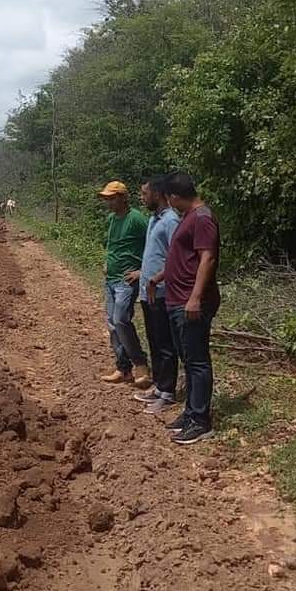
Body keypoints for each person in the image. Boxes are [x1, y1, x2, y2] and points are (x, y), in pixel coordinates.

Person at [154, 171, 220, 446]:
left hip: (190, 302)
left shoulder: (203, 218)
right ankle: (191, 413)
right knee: (188, 359)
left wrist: (195, 297)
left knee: (197, 361)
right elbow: (181, 257)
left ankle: (201, 421)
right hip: (177, 298)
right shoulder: (189, 218)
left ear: (174, 197)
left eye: (170, 200)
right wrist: (160, 277)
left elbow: (208, 258)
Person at [127, 176, 179, 415]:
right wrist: (142, 273)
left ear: (158, 194)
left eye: (145, 193)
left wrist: (157, 278)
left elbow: (174, 258)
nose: (142, 197)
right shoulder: (153, 219)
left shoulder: (170, 221)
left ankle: (168, 392)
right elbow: (154, 253)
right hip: (148, 291)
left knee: (165, 343)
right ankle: (158, 387)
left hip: (162, 292)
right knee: (154, 341)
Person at [99, 180, 151, 389]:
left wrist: (142, 271)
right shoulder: (112, 219)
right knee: (112, 323)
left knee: (121, 320)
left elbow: (155, 245)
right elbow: (112, 244)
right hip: (110, 279)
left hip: (126, 280)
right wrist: (106, 261)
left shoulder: (137, 219)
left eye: (112, 198)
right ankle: (123, 368)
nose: (109, 203)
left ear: (123, 197)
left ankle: (140, 364)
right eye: (106, 199)